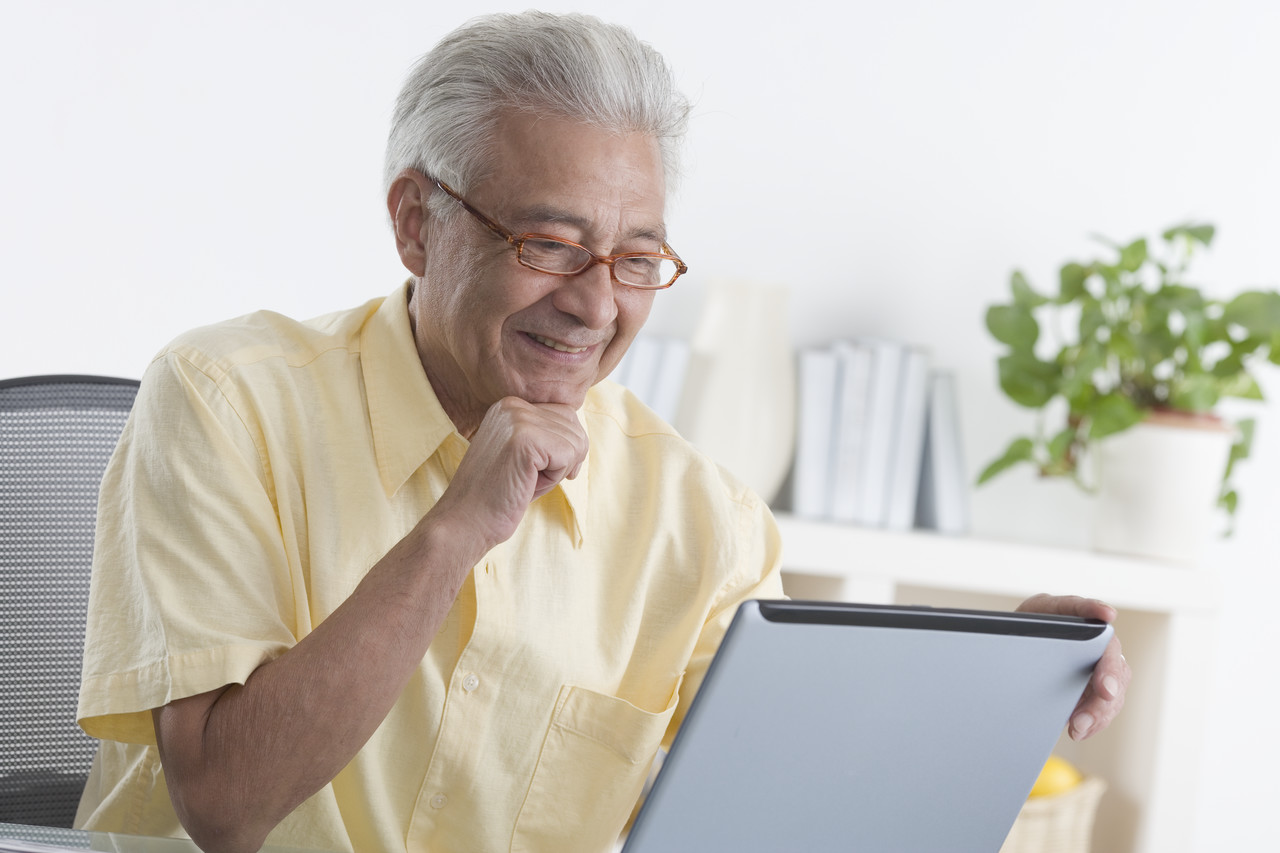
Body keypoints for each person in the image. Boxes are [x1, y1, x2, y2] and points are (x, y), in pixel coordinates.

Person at [74, 11, 1130, 853]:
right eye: (549, 243)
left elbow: (792, 804)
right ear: (414, 223)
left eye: (636, 261)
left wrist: (998, 685)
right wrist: (453, 531)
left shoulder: (701, 520)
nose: (593, 303)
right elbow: (225, 805)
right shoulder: (223, 398)